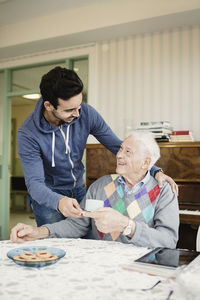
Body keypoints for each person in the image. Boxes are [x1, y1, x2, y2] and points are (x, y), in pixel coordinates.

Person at [18, 66, 177, 227]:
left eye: (79, 106)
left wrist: (153, 169)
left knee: (84, 240)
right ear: (49, 106)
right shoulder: (28, 133)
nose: (77, 114)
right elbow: (35, 184)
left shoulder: (86, 114)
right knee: (55, 243)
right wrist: (59, 202)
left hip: (79, 190)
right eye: (70, 110)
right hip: (48, 197)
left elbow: (118, 146)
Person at [11, 131, 179, 249]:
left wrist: (127, 226)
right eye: (120, 149)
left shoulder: (164, 191)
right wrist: (38, 232)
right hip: (101, 263)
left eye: (128, 152)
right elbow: (78, 224)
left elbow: (168, 240)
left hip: (141, 265)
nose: (119, 155)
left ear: (145, 163)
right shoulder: (101, 185)